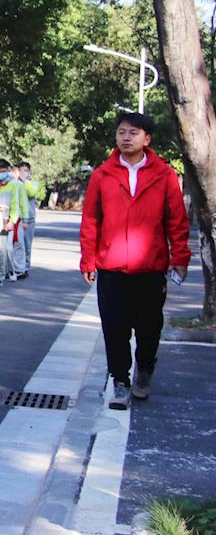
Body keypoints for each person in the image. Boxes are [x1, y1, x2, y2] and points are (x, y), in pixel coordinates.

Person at [80, 112, 190, 410]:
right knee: (114, 327)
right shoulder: (102, 175)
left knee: (148, 328)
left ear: (147, 138)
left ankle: (145, 369)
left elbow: (177, 220)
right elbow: (90, 220)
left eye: (133, 133)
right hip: (112, 268)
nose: (126, 138)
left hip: (150, 267)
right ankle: (120, 381)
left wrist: (180, 257)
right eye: (121, 132)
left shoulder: (164, 175)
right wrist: (88, 259)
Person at [0, 158, 22, 286]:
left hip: (3, 220)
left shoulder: (13, 184)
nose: (1, 173)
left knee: (1, 249)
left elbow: (15, 204)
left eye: (3, 171)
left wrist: (12, 221)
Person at [18, 162, 44, 276]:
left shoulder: (33, 184)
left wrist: (25, 181)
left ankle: (26, 266)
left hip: (30, 219)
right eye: (22, 170)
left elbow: (31, 193)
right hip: (19, 218)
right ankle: (18, 267)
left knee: (27, 244)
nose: (24, 173)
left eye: (26, 171)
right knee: (18, 245)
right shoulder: (16, 183)